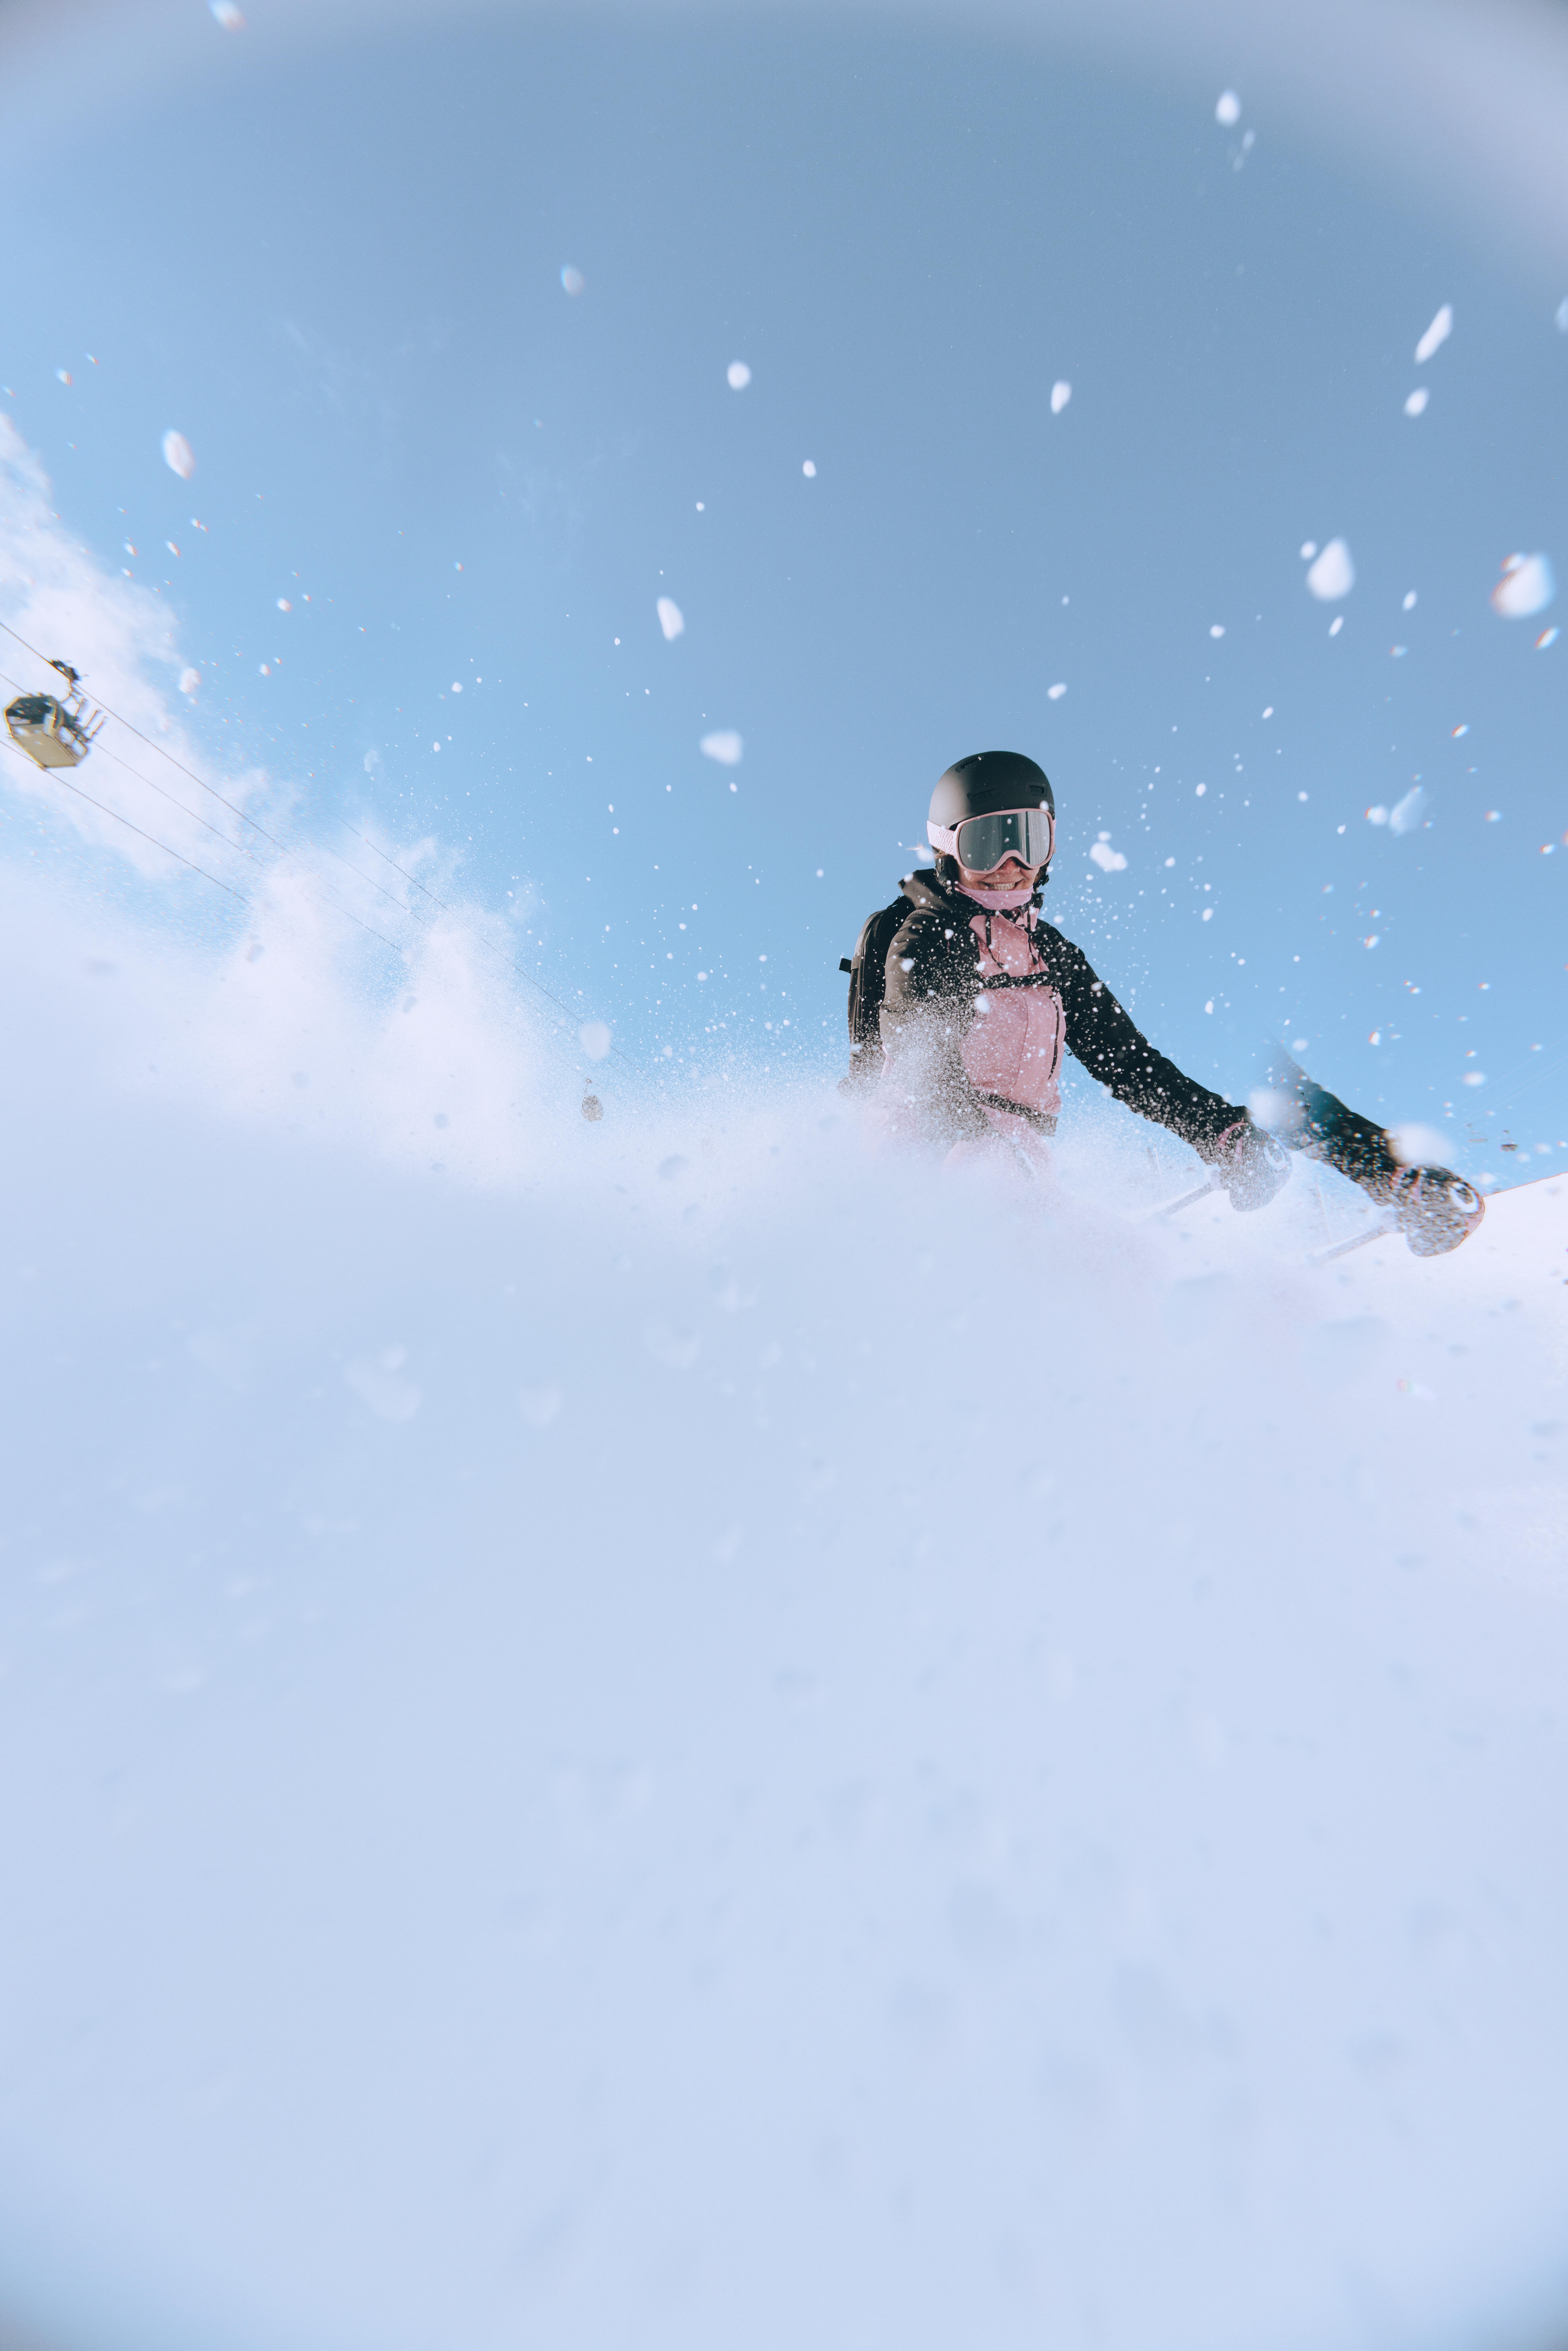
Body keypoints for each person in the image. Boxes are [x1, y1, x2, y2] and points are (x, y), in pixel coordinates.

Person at [842, 749, 1484, 1252]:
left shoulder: (1052, 956)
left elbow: (1129, 1063)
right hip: (928, 1164)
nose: (1011, 864)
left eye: (1028, 841)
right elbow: (920, 1055)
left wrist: (1219, 1132)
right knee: (1083, 1283)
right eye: (988, 843)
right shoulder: (930, 934)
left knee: (1122, 1278)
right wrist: (971, 1152)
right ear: (947, 847)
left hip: (1017, 1171)